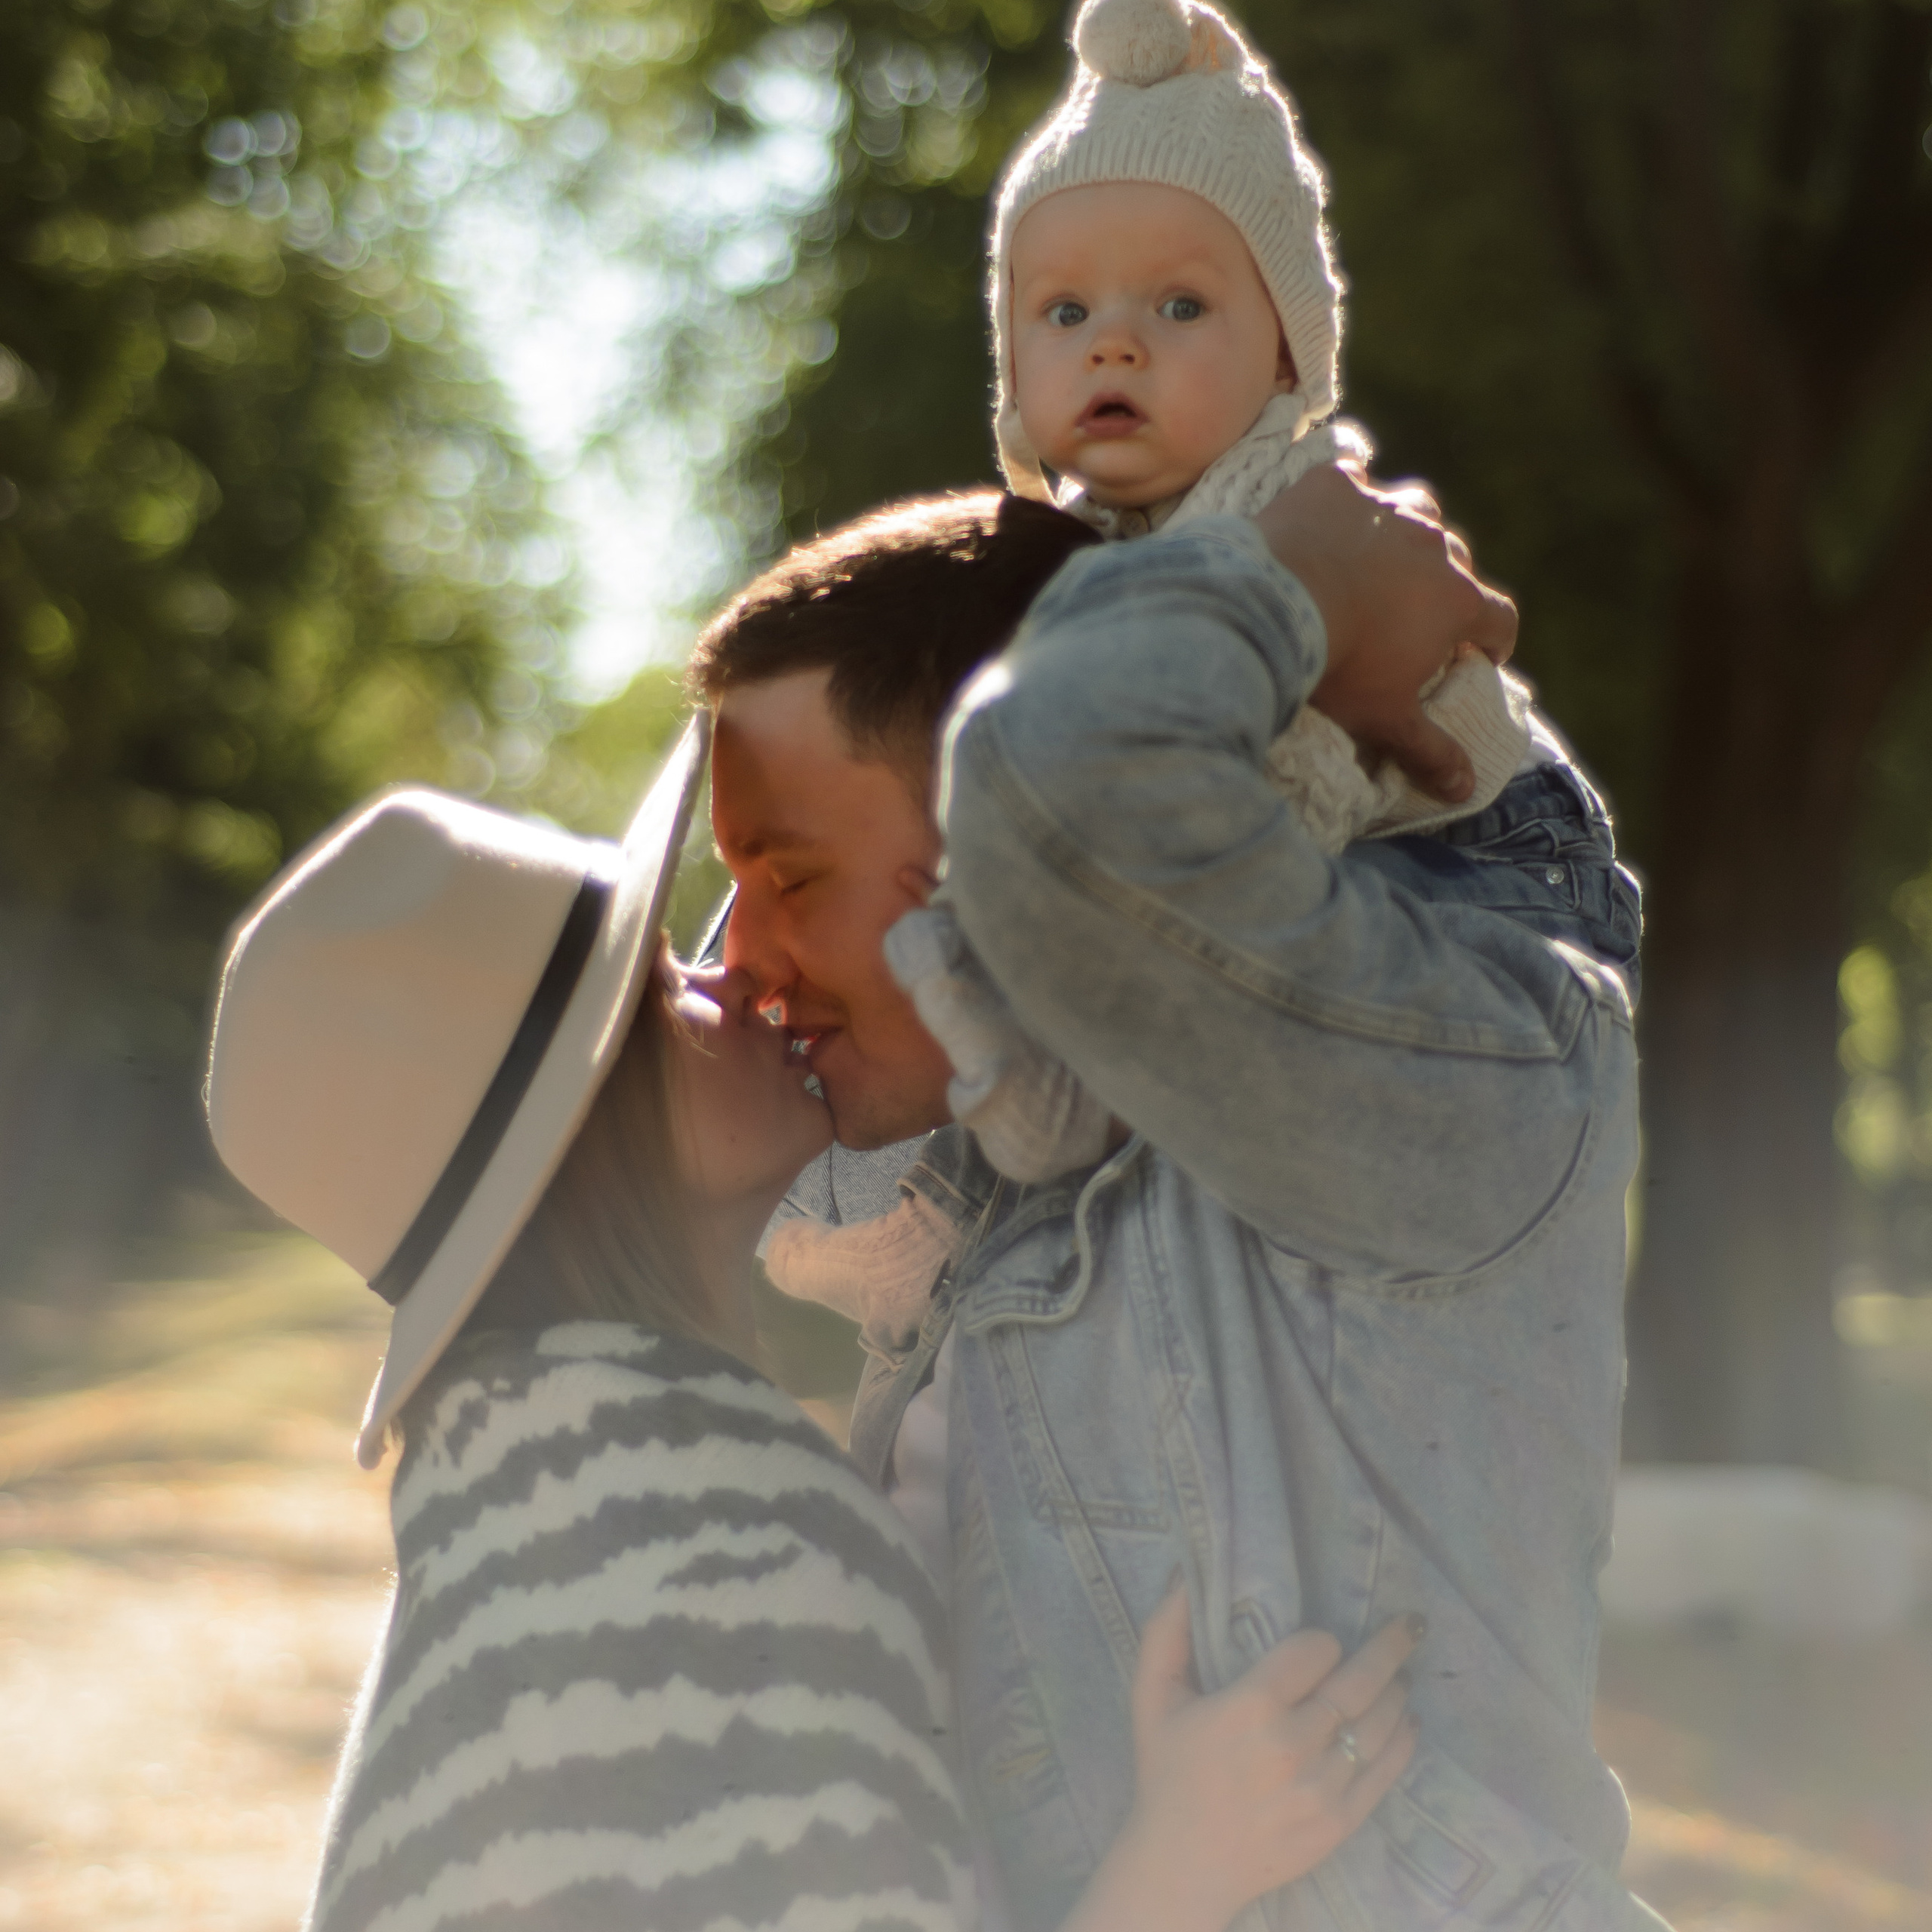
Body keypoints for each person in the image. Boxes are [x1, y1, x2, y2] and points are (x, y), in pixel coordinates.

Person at [202, 721, 1423, 1932]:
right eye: (663, 991)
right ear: (584, 1140)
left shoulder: (519, 1512)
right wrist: (1187, 1861)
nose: (738, 978)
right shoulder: (710, 1529)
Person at [694, 469, 1663, 1928]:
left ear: (998, 863)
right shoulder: (988, 1191)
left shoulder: (1454, 1077)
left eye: (790, 876)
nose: (735, 957)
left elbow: (1067, 795)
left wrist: (1294, 578)